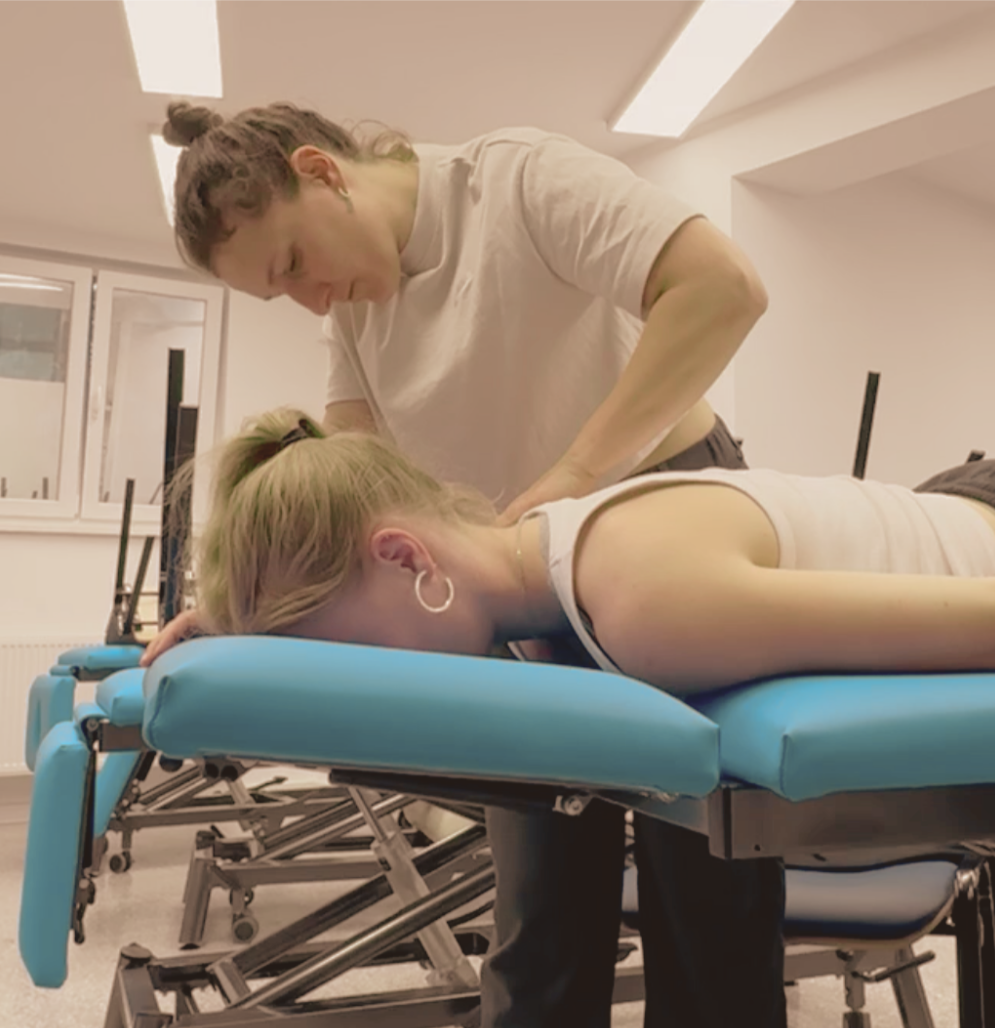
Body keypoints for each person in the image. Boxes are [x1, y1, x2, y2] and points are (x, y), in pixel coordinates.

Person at [146, 101, 783, 1028]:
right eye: (281, 294)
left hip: (670, 522)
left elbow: (722, 287)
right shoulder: (354, 316)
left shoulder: (516, 181)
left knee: (708, 896)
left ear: (322, 171)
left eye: (292, 263)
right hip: (525, 584)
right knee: (540, 917)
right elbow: (346, 500)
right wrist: (239, 614)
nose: (311, 298)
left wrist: (573, 475)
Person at [186, 408, 995, 688]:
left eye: (328, 639)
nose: (348, 675)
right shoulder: (532, 571)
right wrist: (223, 626)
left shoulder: (638, 600)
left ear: (407, 555)